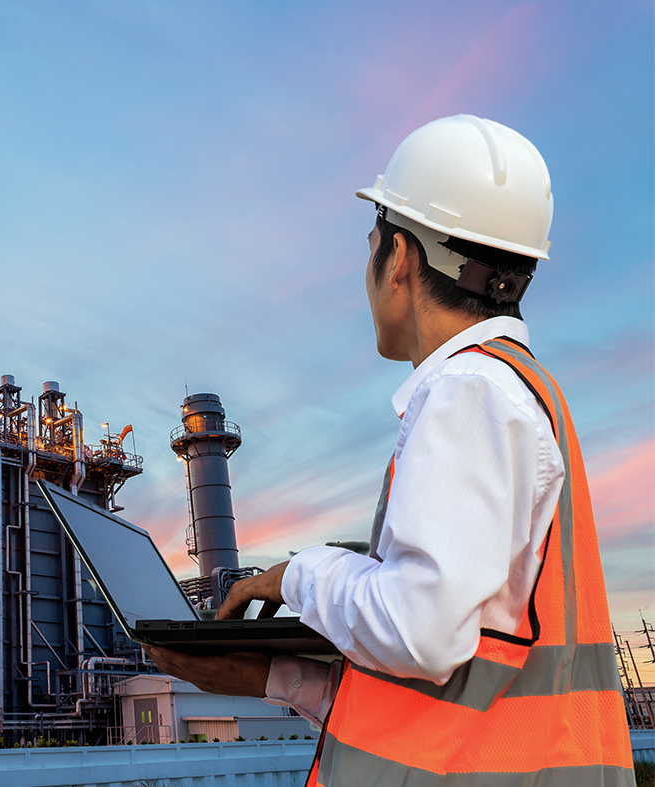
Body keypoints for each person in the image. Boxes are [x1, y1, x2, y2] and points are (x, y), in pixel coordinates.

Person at [144, 115, 635, 786]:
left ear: (399, 257)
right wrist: (273, 676)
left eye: (370, 244)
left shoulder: (471, 392)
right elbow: (448, 699)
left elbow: (421, 633)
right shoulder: (516, 392)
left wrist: (297, 574)